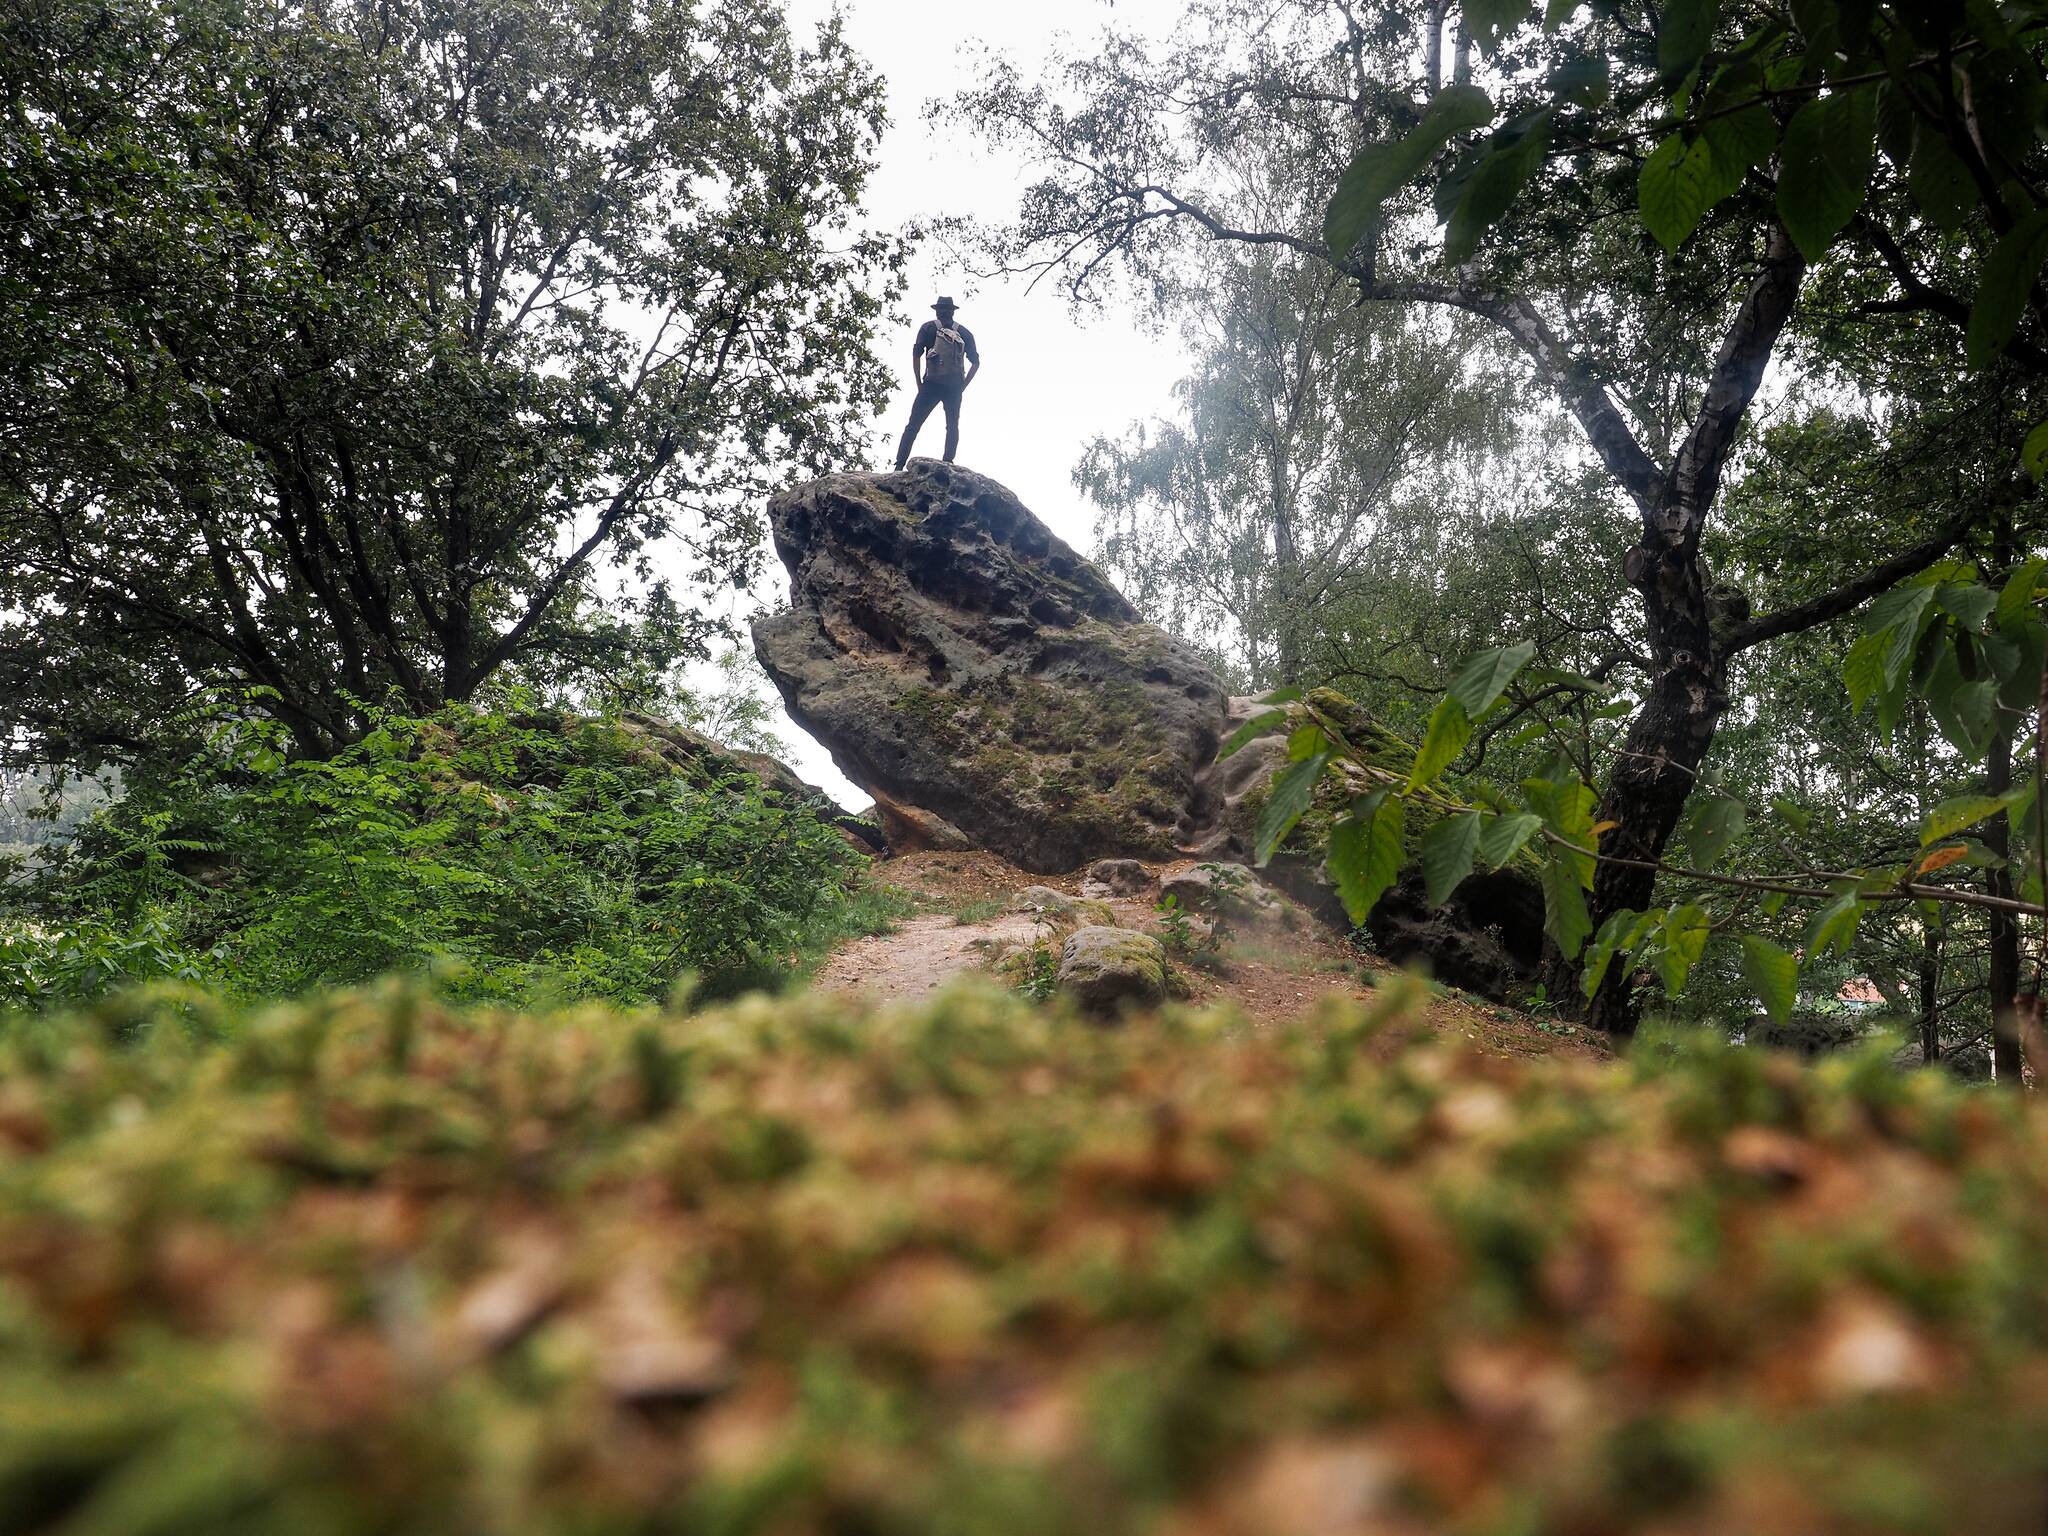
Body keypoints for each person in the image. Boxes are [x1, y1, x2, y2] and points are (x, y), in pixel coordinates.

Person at [893, 296, 980, 470]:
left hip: (931, 384)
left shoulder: (928, 327)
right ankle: (948, 462)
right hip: (954, 387)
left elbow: (916, 355)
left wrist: (918, 382)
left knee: (913, 425)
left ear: (937, 310)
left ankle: (899, 465)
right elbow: (976, 362)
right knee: (952, 425)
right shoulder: (964, 332)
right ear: (953, 311)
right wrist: (963, 386)